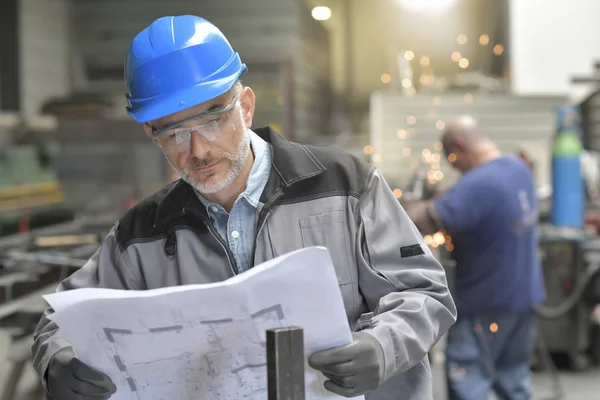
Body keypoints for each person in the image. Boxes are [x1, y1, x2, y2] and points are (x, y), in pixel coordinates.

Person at [31, 15, 456, 400]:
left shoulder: (345, 184)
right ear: (151, 134)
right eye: (175, 133)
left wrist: (382, 346)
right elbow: (60, 320)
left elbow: (423, 291)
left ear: (246, 107)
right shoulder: (141, 233)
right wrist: (58, 362)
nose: (198, 149)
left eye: (212, 120)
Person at [406, 116, 545, 400]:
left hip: (483, 307)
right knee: (514, 384)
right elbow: (476, 201)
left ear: (460, 145)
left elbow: (423, 219)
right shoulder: (517, 168)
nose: (455, 168)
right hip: (522, 301)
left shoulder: (476, 186)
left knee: (468, 385)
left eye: (453, 159)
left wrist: (403, 203)